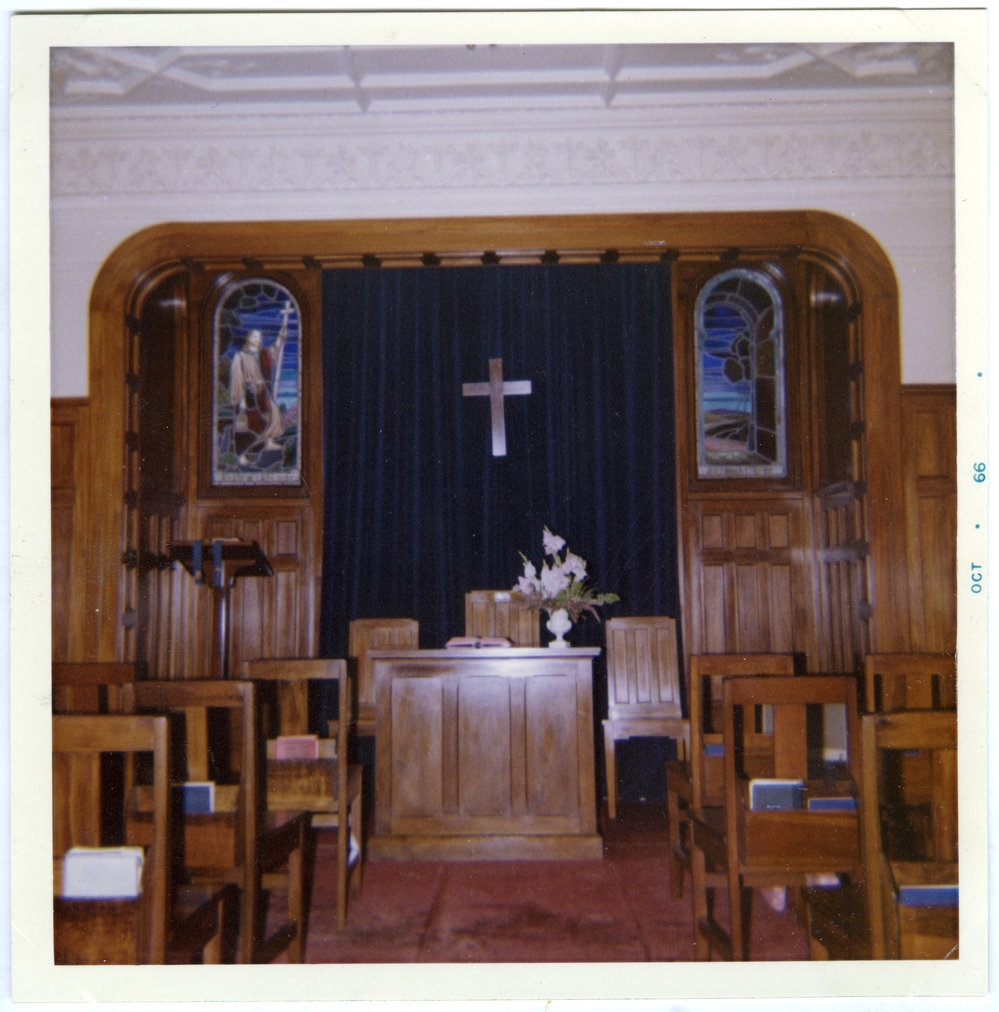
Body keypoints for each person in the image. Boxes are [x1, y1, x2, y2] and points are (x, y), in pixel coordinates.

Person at [229, 322, 286, 465]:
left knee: (273, 413)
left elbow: (273, 351)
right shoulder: (240, 356)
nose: (257, 340)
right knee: (244, 425)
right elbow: (237, 378)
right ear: (249, 338)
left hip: (261, 393)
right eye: (254, 337)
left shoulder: (259, 355)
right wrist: (240, 399)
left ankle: (268, 442)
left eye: (259, 337)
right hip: (248, 395)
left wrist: (280, 337)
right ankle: (241, 454)